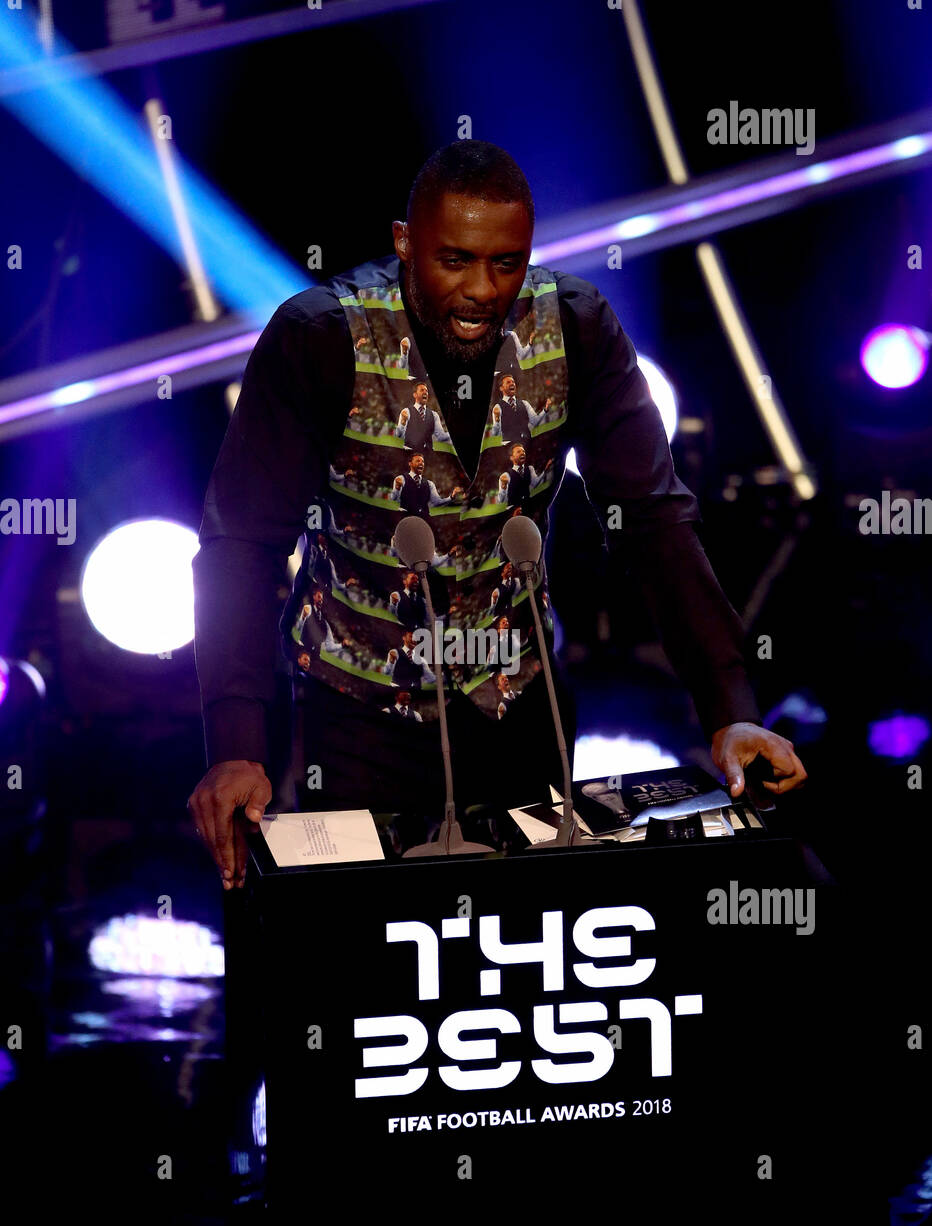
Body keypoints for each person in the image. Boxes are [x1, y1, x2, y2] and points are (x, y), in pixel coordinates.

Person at [188, 140, 807, 889]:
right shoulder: (320, 337)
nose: (482, 289)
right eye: (454, 260)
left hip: (522, 706)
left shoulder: (576, 327)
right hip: (360, 718)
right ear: (404, 242)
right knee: (374, 958)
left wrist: (727, 708)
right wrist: (236, 742)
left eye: (506, 263)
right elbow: (240, 545)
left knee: (533, 944)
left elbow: (654, 521)